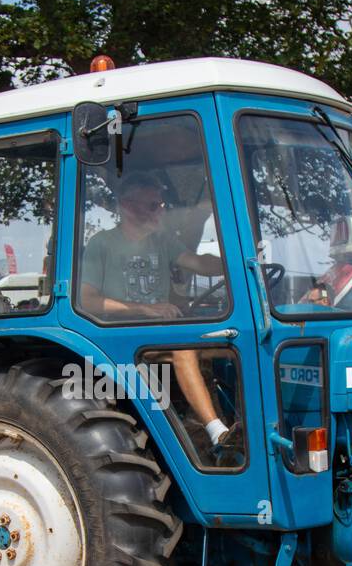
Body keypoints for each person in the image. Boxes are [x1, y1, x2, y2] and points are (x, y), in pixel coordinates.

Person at [78, 173, 238, 460]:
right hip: (120, 333)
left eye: (161, 204)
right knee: (184, 348)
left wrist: (235, 260)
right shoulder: (102, 244)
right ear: (127, 206)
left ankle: (241, 427)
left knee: (231, 345)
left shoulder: (162, 241)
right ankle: (217, 431)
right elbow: (87, 300)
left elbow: (199, 263)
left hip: (160, 328)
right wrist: (142, 309)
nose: (160, 211)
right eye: (153, 205)